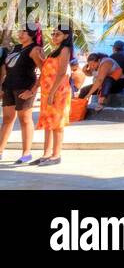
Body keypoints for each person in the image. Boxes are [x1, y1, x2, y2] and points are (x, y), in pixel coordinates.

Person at [0, 24, 43, 165]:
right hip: (9, 87)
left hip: (24, 88)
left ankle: (26, 153)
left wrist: (32, 90)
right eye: (20, 31)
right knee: (7, 119)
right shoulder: (17, 48)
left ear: (31, 34)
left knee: (25, 120)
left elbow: (45, 72)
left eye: (24, 31)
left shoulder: (35, 49)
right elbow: (6, 70)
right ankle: (0, 151)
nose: (20, 34)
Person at [36, 25, 73, 166]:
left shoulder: (65, 50)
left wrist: (52, 92)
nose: (54, 36)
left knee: (57, 123)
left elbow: (62, 72)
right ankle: (46, 153)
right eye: (53, 34)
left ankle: (56, 154)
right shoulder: (54, 51)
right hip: (48, 92)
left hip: (58, 91)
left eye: (57, 34)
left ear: (66, 36)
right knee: (47, 122)